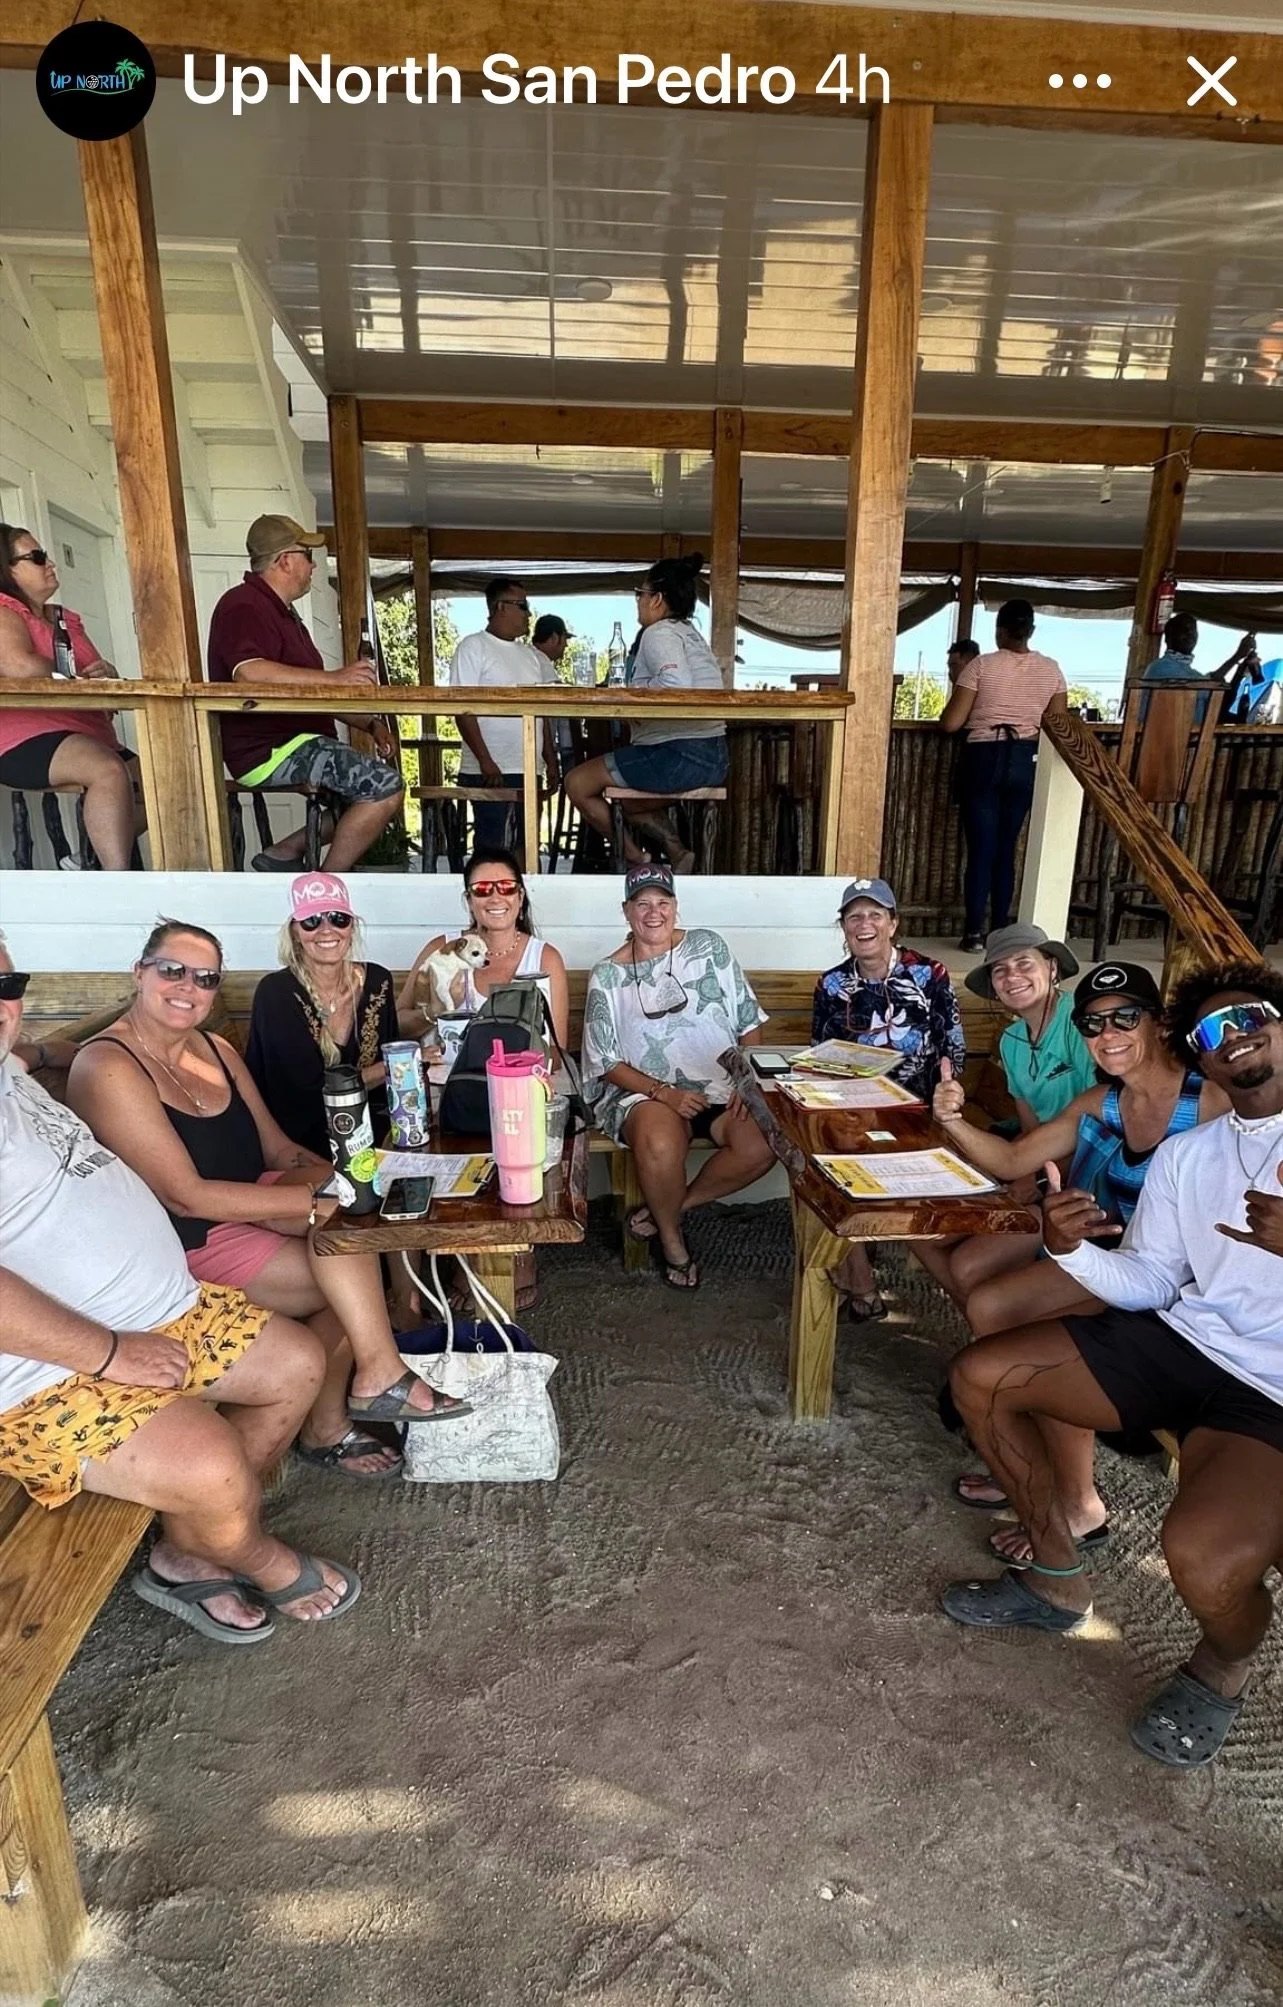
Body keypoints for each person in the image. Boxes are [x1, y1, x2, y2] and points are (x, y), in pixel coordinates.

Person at [942, 962, 1283, 1770]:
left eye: (1250, 1016)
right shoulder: (1188, 1154)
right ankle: (1055, 1575)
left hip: (1268, 1392)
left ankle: (1223, 1661)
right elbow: (1152, 1279)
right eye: (1211, 1030)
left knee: (1201, 1559)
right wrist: (1068, 1250)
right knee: (982, 1375)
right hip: (1183, 1339)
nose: (1233, 1037)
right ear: (1196, 1054)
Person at [0, 934, 359, 1643]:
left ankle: (189, 1552)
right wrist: (110, 1351)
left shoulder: (9, 1070)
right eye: (172, 971)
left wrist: (46, 1052)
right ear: (139, 972)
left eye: (7, 986)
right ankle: (255, 1553)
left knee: (297, 1362)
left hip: (163, 1309)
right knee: (212, 1464)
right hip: (50, 1366)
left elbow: (61, 1051)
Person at [67, 920, 466, 1476]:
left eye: (205, 978)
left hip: (252, 1197)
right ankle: (356, 1397)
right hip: (188, 1236)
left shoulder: (213, 1049)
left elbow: (278, 1148)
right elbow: (185, 1197)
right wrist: (312, 1203)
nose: (188, 987)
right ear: (139, 973)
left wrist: (359, 1177)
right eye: (172, 971)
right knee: (343, 1271)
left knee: (354, 1221)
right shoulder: (108, 1066)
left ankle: (349, 1403)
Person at [931, 961, 1228, 1561]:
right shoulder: (1105, 1101)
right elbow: (1013, 1161)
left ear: (1159, 1022)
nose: (1107, 1034)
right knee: (990, 1304)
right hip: (1108, 1254)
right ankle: (1027, 1455)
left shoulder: (1208, 1100)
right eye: (1092, 1024)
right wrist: (951, 1119)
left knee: (1009, 1315)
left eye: (1125, 1018)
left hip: (1176, 1278)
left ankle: (1077, 1501)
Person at [582, 862, 773, 1290]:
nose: (654, 913)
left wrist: (749, 1082)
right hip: (645, 1093)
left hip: (723, 1086)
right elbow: (606, 1061)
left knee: (763, 1143)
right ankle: (672, 1241)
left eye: (662, 902)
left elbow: (748, 1020)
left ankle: (670, 1208)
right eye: (642, 904)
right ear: (626, 911)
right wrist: (664, 1093)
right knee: (660, 1140)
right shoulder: (608, 975)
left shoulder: (709, 947)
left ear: (675, 906)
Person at [206, 515, 403, 873]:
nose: (313, 566)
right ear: (284, 560)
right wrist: (336, 677)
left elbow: (313, 692)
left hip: (298, 743)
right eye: (307, 556)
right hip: (271, 750)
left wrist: (370, 724)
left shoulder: (283, 614)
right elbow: (248, 672)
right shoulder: (243, 604)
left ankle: (284, 851)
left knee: (366, 797)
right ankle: (327, 882)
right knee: (385, 786)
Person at [811, 876, 966, 1320]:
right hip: (856, 1110)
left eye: (875, 915)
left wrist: (948, 1093)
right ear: (843, 927)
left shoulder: (929, 975)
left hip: (918, 1109)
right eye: (854, 916)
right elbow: (821, 1055)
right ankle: (863, 1285)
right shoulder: (832, 984)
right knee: (820, 1162)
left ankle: (861, 1272)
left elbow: (953, 1047)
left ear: (893, 923)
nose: (864, 924)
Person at [563, 553, 727, 872]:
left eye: (640, 593)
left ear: (657, 599)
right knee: (627, 797)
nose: (637, 601)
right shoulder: (688, 633)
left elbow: (677, 685)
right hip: (713, 756)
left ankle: (636, 860)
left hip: (679, 754)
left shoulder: (659, 633)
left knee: (577, 783)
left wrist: (632, 693)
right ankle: (677, 853)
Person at [0, 523, 142, 870]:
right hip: (24, 738)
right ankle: (119, 880)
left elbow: (94, 668)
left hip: (90, 733)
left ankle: (88, 861)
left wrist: (106, 672)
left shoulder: (64, 618)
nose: (49, 564)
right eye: (36, 557)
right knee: (107, 770)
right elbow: (18, 666)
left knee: (169, 779)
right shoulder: (4, 609)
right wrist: (72, 674)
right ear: (6, 569)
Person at [940, 599, 1068, 952]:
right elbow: (1059, 725)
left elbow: (951, 723)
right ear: (1031, 631)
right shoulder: (1051, 670)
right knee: (1006, 848)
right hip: (1026, 759)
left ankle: (973, 933)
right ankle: (1000, 931)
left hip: (984, 757)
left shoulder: (981, 666)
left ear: (999, 631)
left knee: (981, 849)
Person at [246, 873, 398, 1160]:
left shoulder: (378, 980)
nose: (327, 930)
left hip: (371, 1136)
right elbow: (304, 1095)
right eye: (312, 921)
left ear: (352, 927)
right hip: (298, 1147)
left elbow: (385, 1087)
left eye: (339, 919)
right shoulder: (276, 992)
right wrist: (402, 1064)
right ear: (295, 932)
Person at [398, 847, 570, 1048]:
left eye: (506, 887)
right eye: (482, 889)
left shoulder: (544, 958)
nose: (495, 898)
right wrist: (434, 1013)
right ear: (469, 901)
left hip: (520, 1069)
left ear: (520, 897)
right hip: (446, 1069)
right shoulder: (442, 949)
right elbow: (396, 1024)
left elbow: (557, 1050)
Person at [448, 578, 558, 854]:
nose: (528, 613)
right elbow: (462, 709)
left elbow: (540, 711)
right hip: (490, 770)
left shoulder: (531, 656)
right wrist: (486, 761)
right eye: (522, 605)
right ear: (500, 607)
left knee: (527, 846)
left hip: (528, 768)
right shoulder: (473, 647)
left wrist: (550, 760)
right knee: (493, 848)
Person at [964, 923, 1095, 1131]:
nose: (1011, 976)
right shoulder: (1011, 1040)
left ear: (1052, 968)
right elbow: (1030, 1125)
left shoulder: (1080, 1021)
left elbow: (1100, 1108)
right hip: (1040, 1144)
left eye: (1024, 963)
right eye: (1000, 969)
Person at [1141, 611, 1256, 687]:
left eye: (1193, 631)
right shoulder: (1161, 667)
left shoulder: (1189, 672)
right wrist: (1237, 656)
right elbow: (1205, 685)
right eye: (1183, 630)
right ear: (1168, 637)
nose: (1189, 634)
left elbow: (1208, 681)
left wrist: (1239, 656)